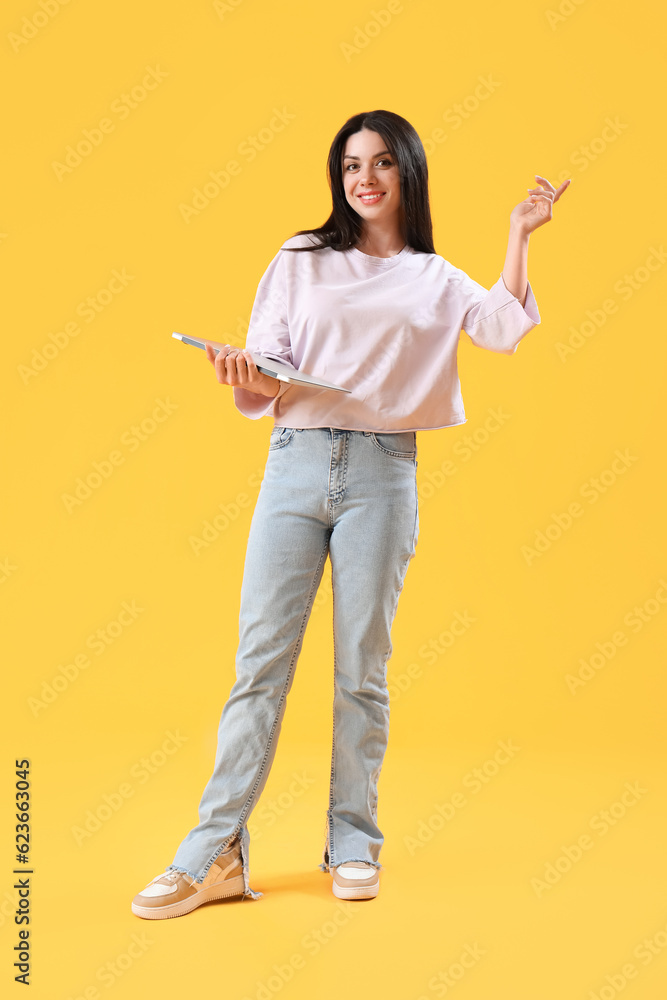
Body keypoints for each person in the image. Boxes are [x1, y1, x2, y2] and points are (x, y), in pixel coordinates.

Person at [131, 109, 569, 920]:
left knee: (361, 667)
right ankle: (212, 852)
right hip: (295, 468)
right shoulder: (300, 258)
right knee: (260, 661)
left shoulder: (433, 278)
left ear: (407, 172)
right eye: (349, 166)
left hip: (382, 473)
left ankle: (353, 839)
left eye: (379, 164)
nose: (363, 179)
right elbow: (269, 369)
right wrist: (242, 371)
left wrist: (520, 233)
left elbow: (503, 330)